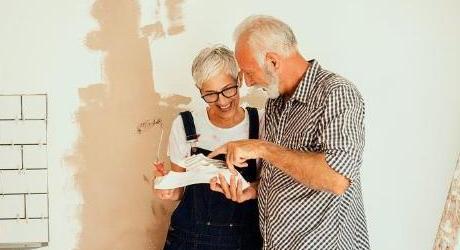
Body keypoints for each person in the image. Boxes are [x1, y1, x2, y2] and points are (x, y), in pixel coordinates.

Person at [209, 15, 370, 249]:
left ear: (273, 61)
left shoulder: (336, 94)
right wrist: (254, 190)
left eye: (249, 72)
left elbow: (337, 179)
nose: (247, 83)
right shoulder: (275, 101)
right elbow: (286, 174)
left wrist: (261, 148)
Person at [153, 44, 262, 250]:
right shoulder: (185, 125)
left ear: (239, 79)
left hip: (244, 240)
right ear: (199, 90)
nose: (221, 101)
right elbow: (177, 192)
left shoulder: (261, 122)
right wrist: (165, 187)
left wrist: (249, 190)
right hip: (190, 240)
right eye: (210, 94)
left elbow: (274, 187)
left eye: (228, 89)